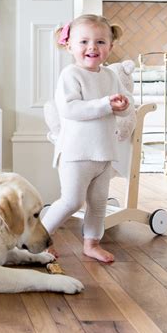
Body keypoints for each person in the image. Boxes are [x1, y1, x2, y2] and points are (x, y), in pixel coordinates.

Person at [42, 14, 133, 263]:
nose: (92, 47)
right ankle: (38, 241)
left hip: (104, 153)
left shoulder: (110, 76)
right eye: (84, 42)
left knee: (98, 203)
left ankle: (91, 243)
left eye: (100, 42)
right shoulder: (70, 75)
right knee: (71, 201)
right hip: (76, 153)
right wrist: (106, 104)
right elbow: (71, 109)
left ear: (110, 47)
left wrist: (123, 105)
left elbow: (124, 104)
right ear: (69, 45)